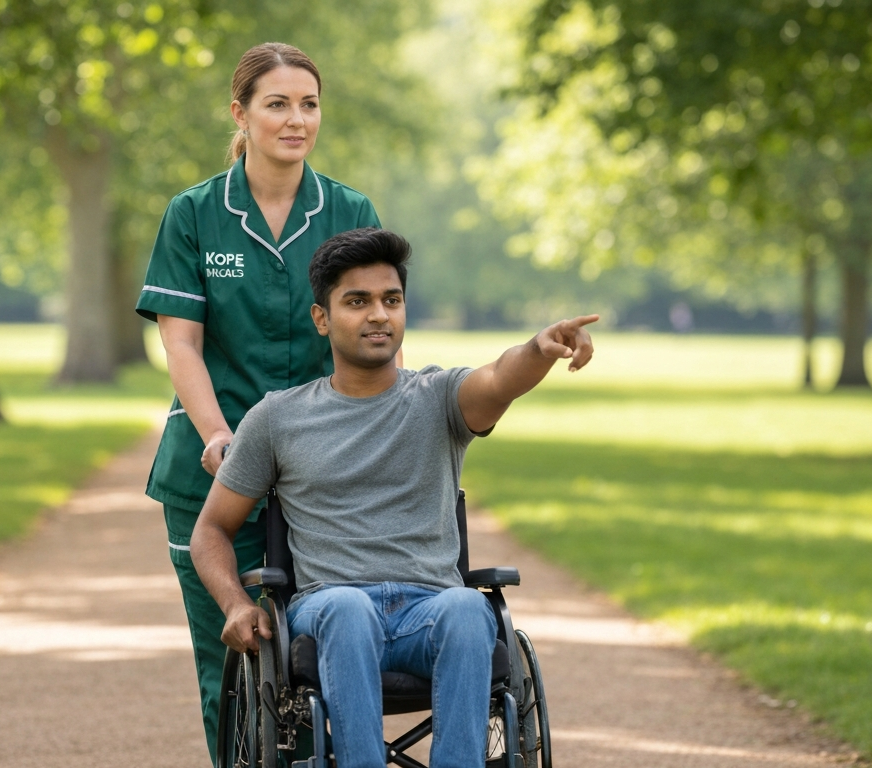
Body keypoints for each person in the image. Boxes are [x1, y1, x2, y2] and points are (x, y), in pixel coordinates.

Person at [190, 228, 598, 768]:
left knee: (465, 606)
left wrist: (537, 350)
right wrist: (236, 604)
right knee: (347, 606)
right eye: (357, 302)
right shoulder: (278, 418)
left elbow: (499, 378)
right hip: (329, 609)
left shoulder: (438, 398)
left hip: (428, 610)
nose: (378, 315)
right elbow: (211, 529)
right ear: (322, 319)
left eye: (391, 300)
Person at [133, 42, 382, 762]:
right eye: (277, 103)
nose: (296, 119)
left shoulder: (349, 210)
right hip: (208, 469)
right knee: (232, 669)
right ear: (241, 113)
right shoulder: (195, 215)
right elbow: (182, 345)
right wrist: (221, 436)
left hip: (319, 469)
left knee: (322, 652)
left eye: (309, 104)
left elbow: (371, 333)